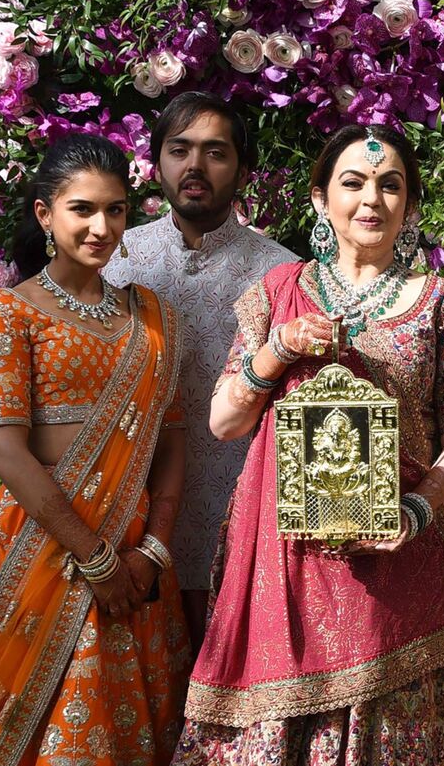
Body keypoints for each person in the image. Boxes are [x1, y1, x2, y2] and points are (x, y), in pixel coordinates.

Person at [174, 124, 444, 765]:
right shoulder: (278, 293)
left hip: (394, 555)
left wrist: (418, 509)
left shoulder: (437, 303)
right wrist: (278, 350)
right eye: (353, 182)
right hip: (283, 559)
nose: (371, 199)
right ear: (320, 200)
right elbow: (224, 423)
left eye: (391, 185)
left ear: (412, 207)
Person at [0, 134, 191, 764]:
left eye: (115, 210)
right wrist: (96, 558)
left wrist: (153, 549)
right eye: (82, 209)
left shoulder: (152, 317)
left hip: (133, 555)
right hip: (45, 542)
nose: (100, 226)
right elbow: (7, 453)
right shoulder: (10, 314)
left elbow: (172, 440)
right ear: (44, 214)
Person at [104, 92, 296, 646]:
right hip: (127, 515)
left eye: (215, 152)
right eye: (179, 149)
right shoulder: (115, 259)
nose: (194, 166)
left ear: (241, 169)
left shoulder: (283, 271)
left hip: (241, 515)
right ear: (157, 162)